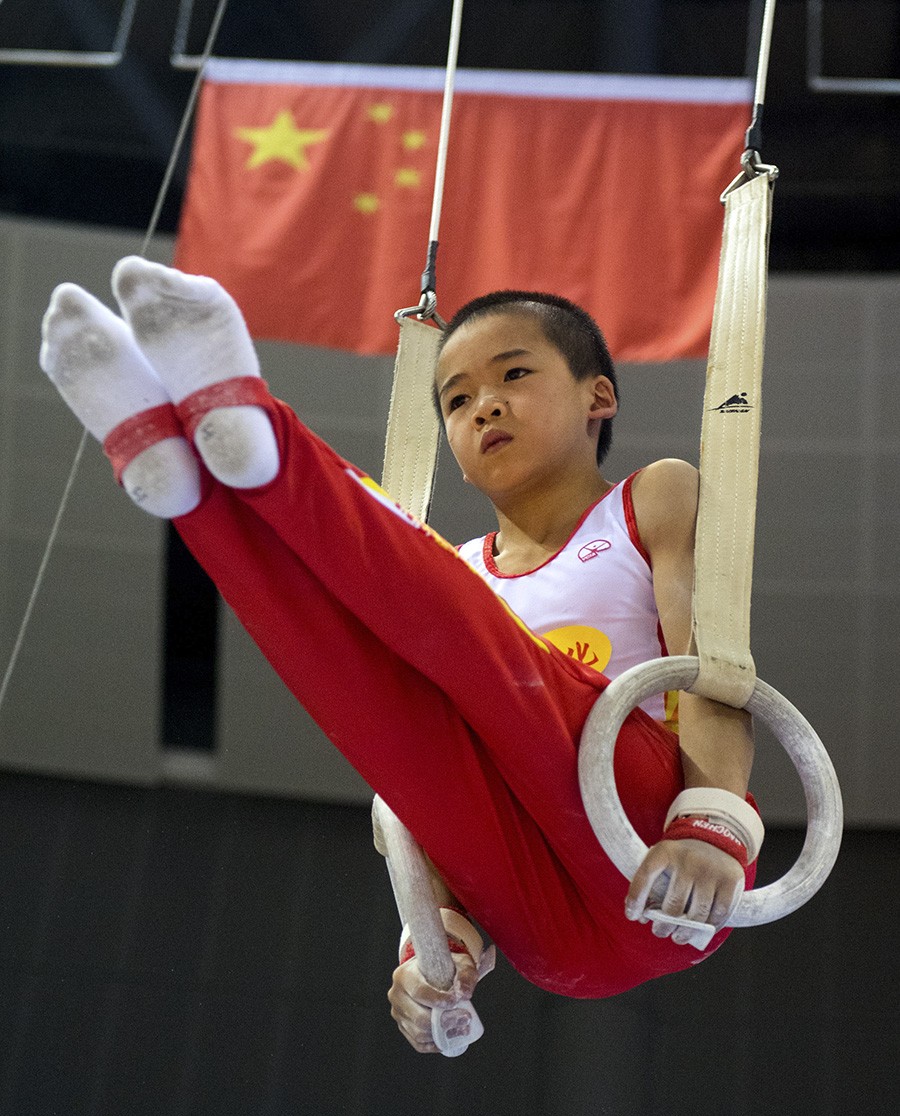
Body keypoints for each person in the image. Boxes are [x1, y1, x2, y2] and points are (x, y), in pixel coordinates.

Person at [39, 257, 761, 1055]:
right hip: (546, 937)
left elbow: (714, 673)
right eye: (455, 400)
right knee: (360, 698)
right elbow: (442, 794)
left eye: (513, 374)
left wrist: (714, 824)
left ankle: (263, 439)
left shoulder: (651, 498)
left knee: (474, 640)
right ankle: (190, 490)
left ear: (599, 396)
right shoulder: (459, 571)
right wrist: (436, 942)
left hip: (654, 832)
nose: (484, 403)